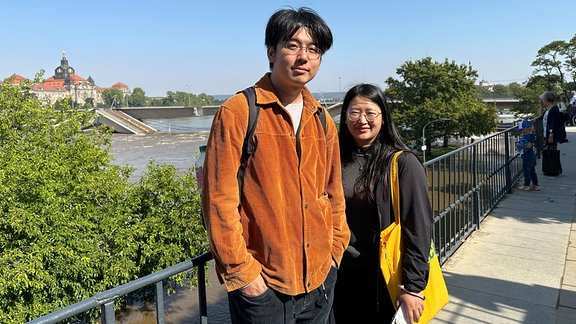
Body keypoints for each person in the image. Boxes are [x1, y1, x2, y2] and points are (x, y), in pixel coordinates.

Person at [201, 7, 350, 324]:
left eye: (313, 49)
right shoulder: (240, 111)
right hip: (265, 289)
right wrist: (244, 274)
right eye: (293, 45)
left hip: (320, 280)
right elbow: (218, 200)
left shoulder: (321, 118)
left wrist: (335, 253)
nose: (303, 57)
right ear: (271, 51)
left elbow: (333, 192)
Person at [332, 84, 433, 323]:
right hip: (338, 272)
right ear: (345, 116)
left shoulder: (402, 163)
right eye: (354, 112)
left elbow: (418, 227)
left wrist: (413, 287)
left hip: (383, 277)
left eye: (370, 113)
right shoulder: (334, 157)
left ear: (384, 118)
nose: (362, 120)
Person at [515, 120, 539, 191]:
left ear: (525, 129)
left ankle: (526, 185)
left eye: (521, 130)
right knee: (532, 171)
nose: (521, 131)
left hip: (527, 157)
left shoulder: (526, 137)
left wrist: (518, 144)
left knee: (526, 171)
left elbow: (528, 145)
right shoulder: (531, 136)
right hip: (531, 156)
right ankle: (535, 184)